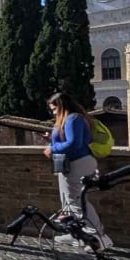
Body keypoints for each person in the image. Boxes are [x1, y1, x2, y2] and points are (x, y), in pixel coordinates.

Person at [45, 91, 112, 250]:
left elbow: (74, 144)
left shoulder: (73, 119)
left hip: (78, 163)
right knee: (69, 200)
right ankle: (77, 233)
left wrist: (52, 148)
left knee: (77, 201)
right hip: (72, 164)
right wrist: (51, 139)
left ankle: (99, 236)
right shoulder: (73, 119)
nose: (53, 113)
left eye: (54, 109)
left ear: (62, 106)